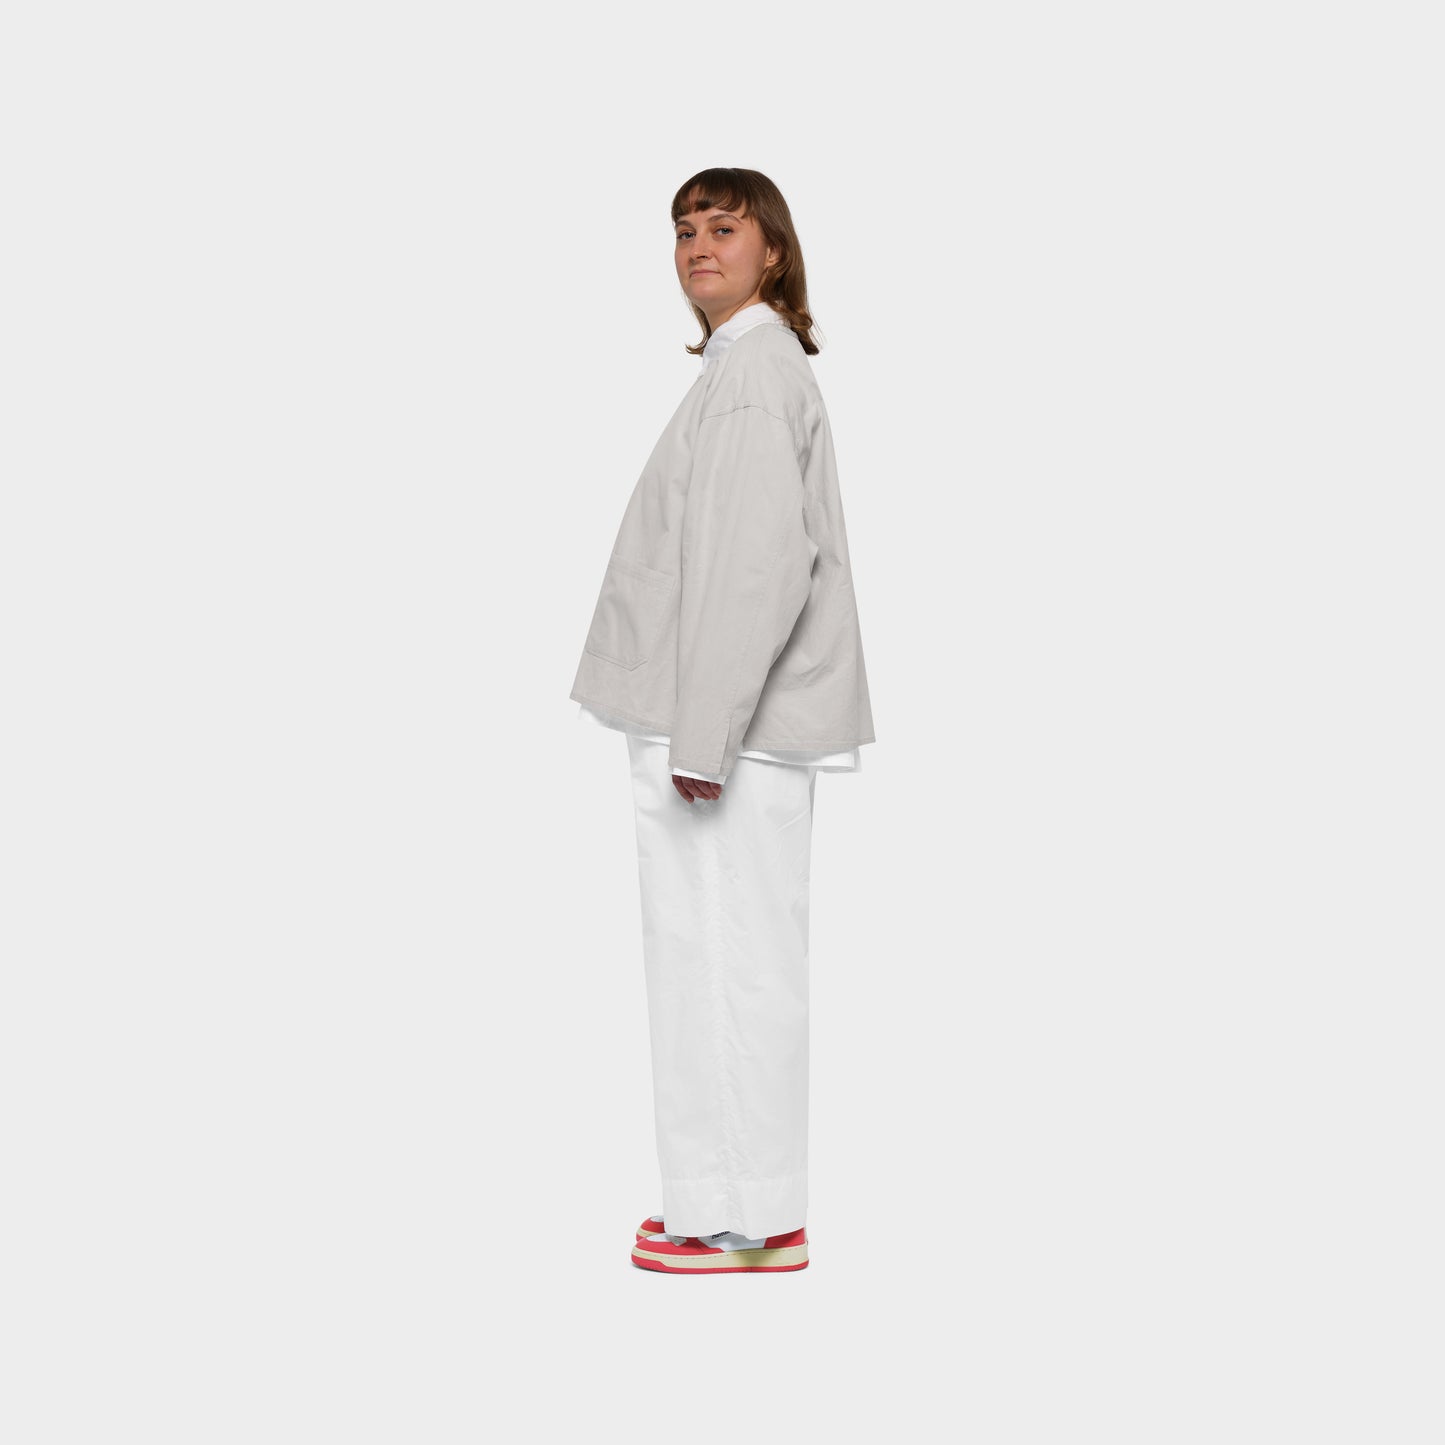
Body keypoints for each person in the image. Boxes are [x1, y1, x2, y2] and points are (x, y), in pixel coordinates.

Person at [569, 167, 876, 1274]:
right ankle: (723, 1205)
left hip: (722, 731)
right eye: (683, 229)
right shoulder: (746, 367)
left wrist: (703, 737)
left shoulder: (751, 373)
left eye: (724, 227)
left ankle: (745, 1222)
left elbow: (753, 569)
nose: (697, 244)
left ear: (772, 251)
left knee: (724, 963)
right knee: (721, 958)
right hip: (724, 722)